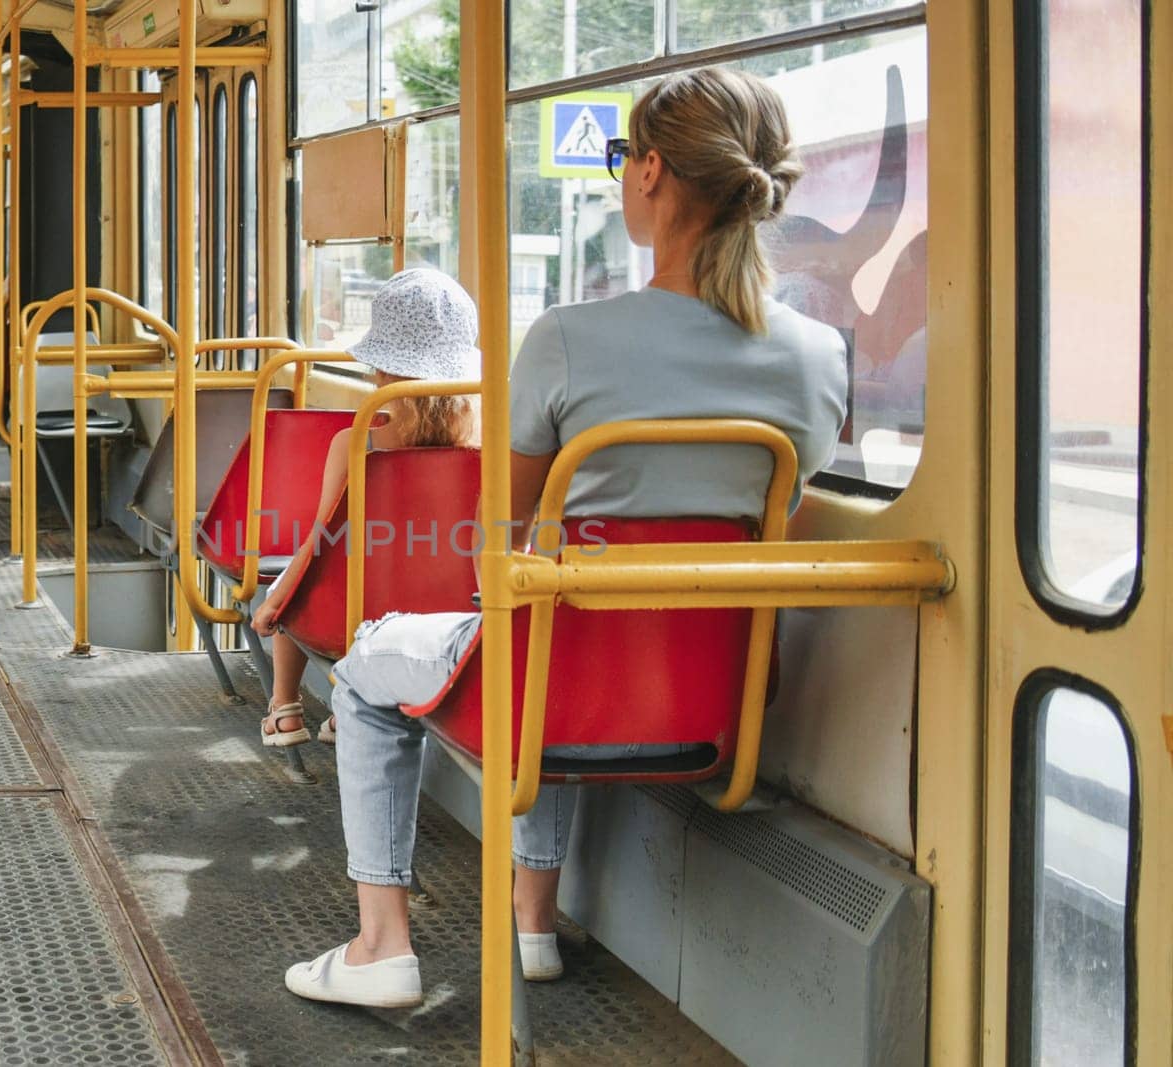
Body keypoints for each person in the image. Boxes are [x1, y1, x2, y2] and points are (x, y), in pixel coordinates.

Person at [284, 67, 848, 1009]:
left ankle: (381, 943)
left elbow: (496, 542)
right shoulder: (818, 358)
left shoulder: (567, 339)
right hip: (721, 693)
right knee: (555, 631)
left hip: (561, 677)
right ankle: (531, 922)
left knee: (395, 658)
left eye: (625, 157)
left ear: (654, 173)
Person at [252, 268, 479, 748]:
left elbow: (321, 540)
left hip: (357, 615)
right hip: (455, 614)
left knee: (300, 575)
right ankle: (351, 712)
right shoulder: (489, 450)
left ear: (383, 369)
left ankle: (286, 708)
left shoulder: (355, 445)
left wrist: (274, 600)